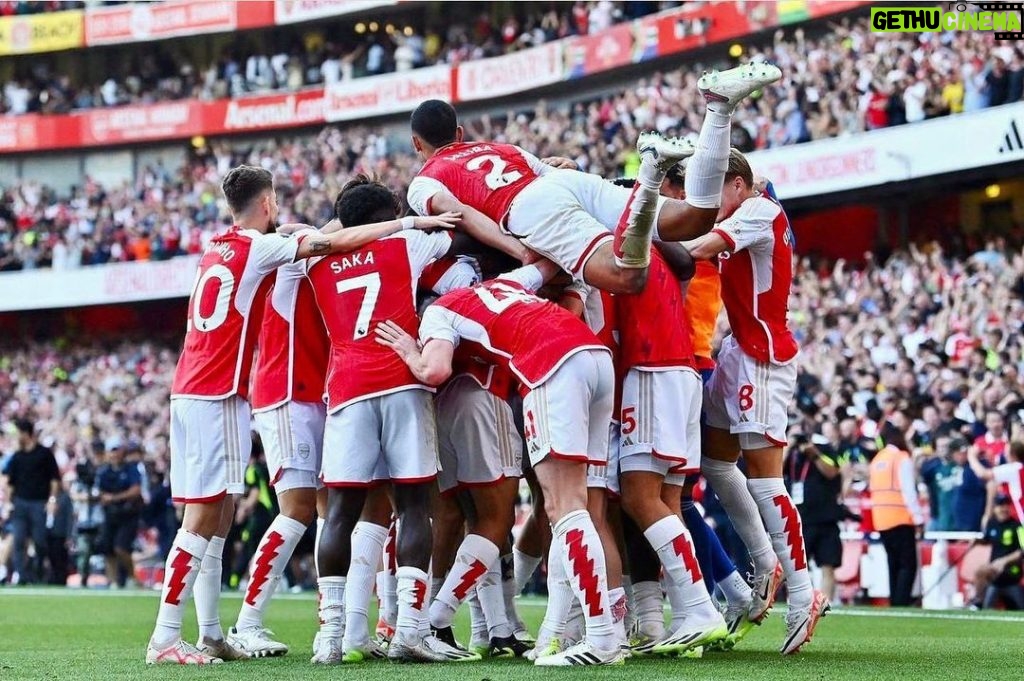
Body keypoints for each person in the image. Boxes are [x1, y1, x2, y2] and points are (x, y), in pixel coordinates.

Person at [147, 164, 449, 666]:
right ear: (267, 204)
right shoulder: (282, 253)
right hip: (278, 389)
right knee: (291, 509)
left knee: (296, 508)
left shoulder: (221, 245)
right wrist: (406, 223)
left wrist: (321, 221)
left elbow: (311, 236)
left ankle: (257, 631)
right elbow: (324, 241)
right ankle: (223, 625)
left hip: (291, 389)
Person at [376, 261, 623, 667]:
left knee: (563, 508)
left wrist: (408, 349)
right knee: (577, 504)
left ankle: (600, 640)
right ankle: (569, 632)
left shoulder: (440, 311)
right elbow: (547, 266)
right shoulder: (507, 282)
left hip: (550, 366)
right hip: (594, 356)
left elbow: (434, 370)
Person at [406, 63, 782, 295]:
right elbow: (558, 173)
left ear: (416, 143)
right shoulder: (499, 147)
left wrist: (516, 249)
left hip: (530, 209)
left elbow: (459, 214)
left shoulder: (425, 179)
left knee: (627, 277)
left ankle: (650, 176)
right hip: (569, 185)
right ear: (459, 134)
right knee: (694, 217)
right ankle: (717, 107)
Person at [303, 176, 468, 664]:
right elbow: (456, 233)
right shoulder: (405, 242)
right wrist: (409, 216)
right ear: (386, 217)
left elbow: (323, 231)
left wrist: (351, 218)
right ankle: (409, 633)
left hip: (348, 387)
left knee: (339, 514)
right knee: (415, 506)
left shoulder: (315, 260)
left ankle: (330, 639)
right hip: (401, 379)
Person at [684, 148, 827, 655]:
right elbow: (751, 175)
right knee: (714, 463)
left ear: (739, 186)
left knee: (767, 479)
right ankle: (765, 565)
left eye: (718, 189)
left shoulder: (756, 212)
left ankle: (804, 592)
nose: (709, 201)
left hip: (765, 358)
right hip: (737, 350)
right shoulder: (752, 196)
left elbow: (699, 246)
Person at [227, 208, 331, 658]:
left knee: (332, 507)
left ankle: (333, 619)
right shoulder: (288, 261)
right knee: (298, 509)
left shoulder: (287, 258)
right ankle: (246, 622)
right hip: (286, 394)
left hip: (312, 392)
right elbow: (312, 237)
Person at [785, 427, 858, 606]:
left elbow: (831, 471)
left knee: (828, 565)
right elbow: (776, 469)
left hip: (826, 518)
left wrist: (814, 454)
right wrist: (789, 445)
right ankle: (799, 603)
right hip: (801, 519)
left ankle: (824, 604)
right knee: (797, 567)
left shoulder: (825, 450)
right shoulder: (791, 455)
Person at [868, 425, 924, 607]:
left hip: (881, 518)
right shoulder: (901, 458)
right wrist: (918, 518)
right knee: (908, 565)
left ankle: (895, 602)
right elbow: (909, 491)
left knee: (893, 564)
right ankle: (902, 602)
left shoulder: (877, 459)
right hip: (900, 517)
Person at [2, 419, 61, 585]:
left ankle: (38, 571)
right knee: (19, 540)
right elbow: (10, 483)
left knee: (40, 540)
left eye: (19, 433)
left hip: (39, 502)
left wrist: (52, 499)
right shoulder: (17, 457)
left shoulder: (44, 454)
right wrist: (8, 502)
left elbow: (54, 479)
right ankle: (22, 576)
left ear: (26, 434)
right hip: (20, 502)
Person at [95, 436, 143, 589]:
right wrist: (106, 499)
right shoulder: (104, 472)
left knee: (121, 548)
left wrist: (114, 498)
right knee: (108, 549)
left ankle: (131, 577)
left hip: (127, 514)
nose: (114, 454)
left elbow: (136, 491)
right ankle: (113, 581)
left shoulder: (131, 469)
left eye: (117, 450)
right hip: (110, 514)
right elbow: (100, 493)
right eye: (112, 451)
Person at [975, 494, 1023, 610]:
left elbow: (1022, 550)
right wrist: (976, 540)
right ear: (995, 508)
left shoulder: (1017, 526)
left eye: (1006, 505)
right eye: (1001, 505)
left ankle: (978, 602)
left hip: (1011, 572)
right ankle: (979, 601)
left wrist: (1004, 561)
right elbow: (986, 539)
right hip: (995, 577)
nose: (1004, 509)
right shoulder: (992, 524)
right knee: (981, 572)